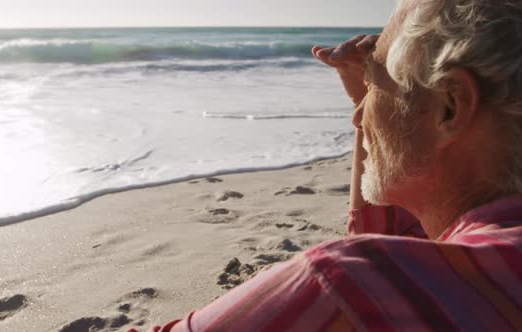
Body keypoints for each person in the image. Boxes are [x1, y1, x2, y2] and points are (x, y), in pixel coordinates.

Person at [130, 0, 522, 330]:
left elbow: (377, 270)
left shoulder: (345, 281)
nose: (356, 118)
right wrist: (378, 108)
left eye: (373, 83)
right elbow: (412, 249)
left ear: (450, 105)